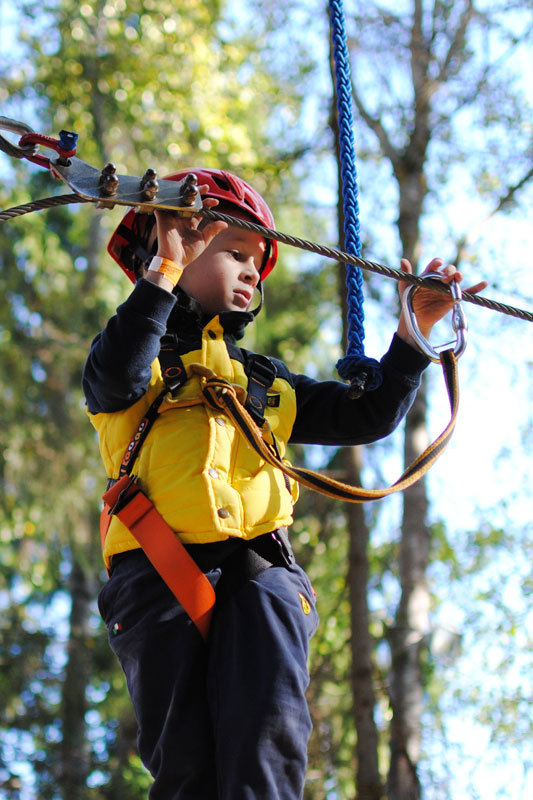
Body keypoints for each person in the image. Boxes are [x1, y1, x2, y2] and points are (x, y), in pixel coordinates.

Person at [83, 168, 486, 800]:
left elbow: (367, 415)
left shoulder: (266, 383)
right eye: (232, 253)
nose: (250, 271)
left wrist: (412, 337)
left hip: (261, 575)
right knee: (185, 764)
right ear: (166, 250)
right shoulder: (134, 364)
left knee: (267, 752)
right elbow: (115, 373)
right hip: (157, 577)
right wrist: (164, 272)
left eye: (256, 262)